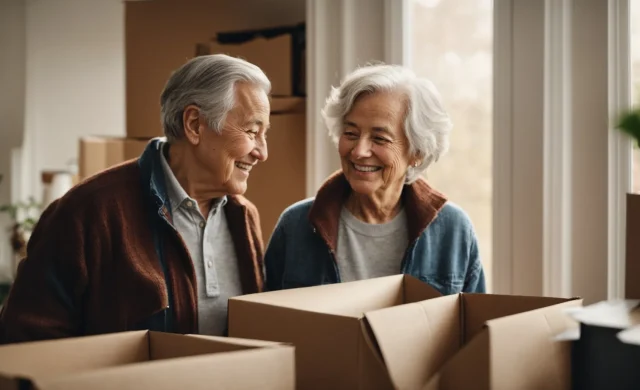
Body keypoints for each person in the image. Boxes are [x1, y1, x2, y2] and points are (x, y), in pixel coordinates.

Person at [0, 54, 271, 343]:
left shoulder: (244, 217)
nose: (262, 152)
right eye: (252, 132)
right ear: (194, 124)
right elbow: (26, 341)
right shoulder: (87, 212)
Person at [265, 64, 486, 295]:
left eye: (380, 138)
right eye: (350, 133)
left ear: (417, 152)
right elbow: (264, 322)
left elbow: (473, 325)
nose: (359, 151)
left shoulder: (453, 229)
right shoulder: (296, 224)